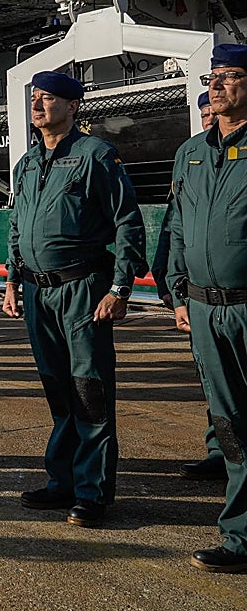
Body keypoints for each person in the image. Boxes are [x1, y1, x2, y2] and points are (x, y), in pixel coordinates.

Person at [3, 71, 146, 528]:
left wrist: (120, 287)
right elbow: (16, 225)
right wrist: (11, 280)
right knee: (58, 389)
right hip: (35, 290)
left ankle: (92, 492)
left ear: (73, 106)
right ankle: (61, 481)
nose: (39, 104)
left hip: (83, 288)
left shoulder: (96, 155)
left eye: (49, 98)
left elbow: (127, 222)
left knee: (90, 391)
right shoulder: (27, 162)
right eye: (36, 98)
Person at [167, 44, 247, 572]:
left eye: (230, 77)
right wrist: (178, 290)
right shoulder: (191, 152)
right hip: (203, 308)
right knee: (231, 426)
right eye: (213, 77)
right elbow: (177, 225)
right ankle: (240, 537)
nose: (216, 86)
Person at [151, 90, 226, 483]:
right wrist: (170, 280)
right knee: (212, 379)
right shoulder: (191, 154)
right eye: (204, 113)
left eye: (213, 110)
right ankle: (221, 451)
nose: (210, 117)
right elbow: (175, 222)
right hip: (198, 294)